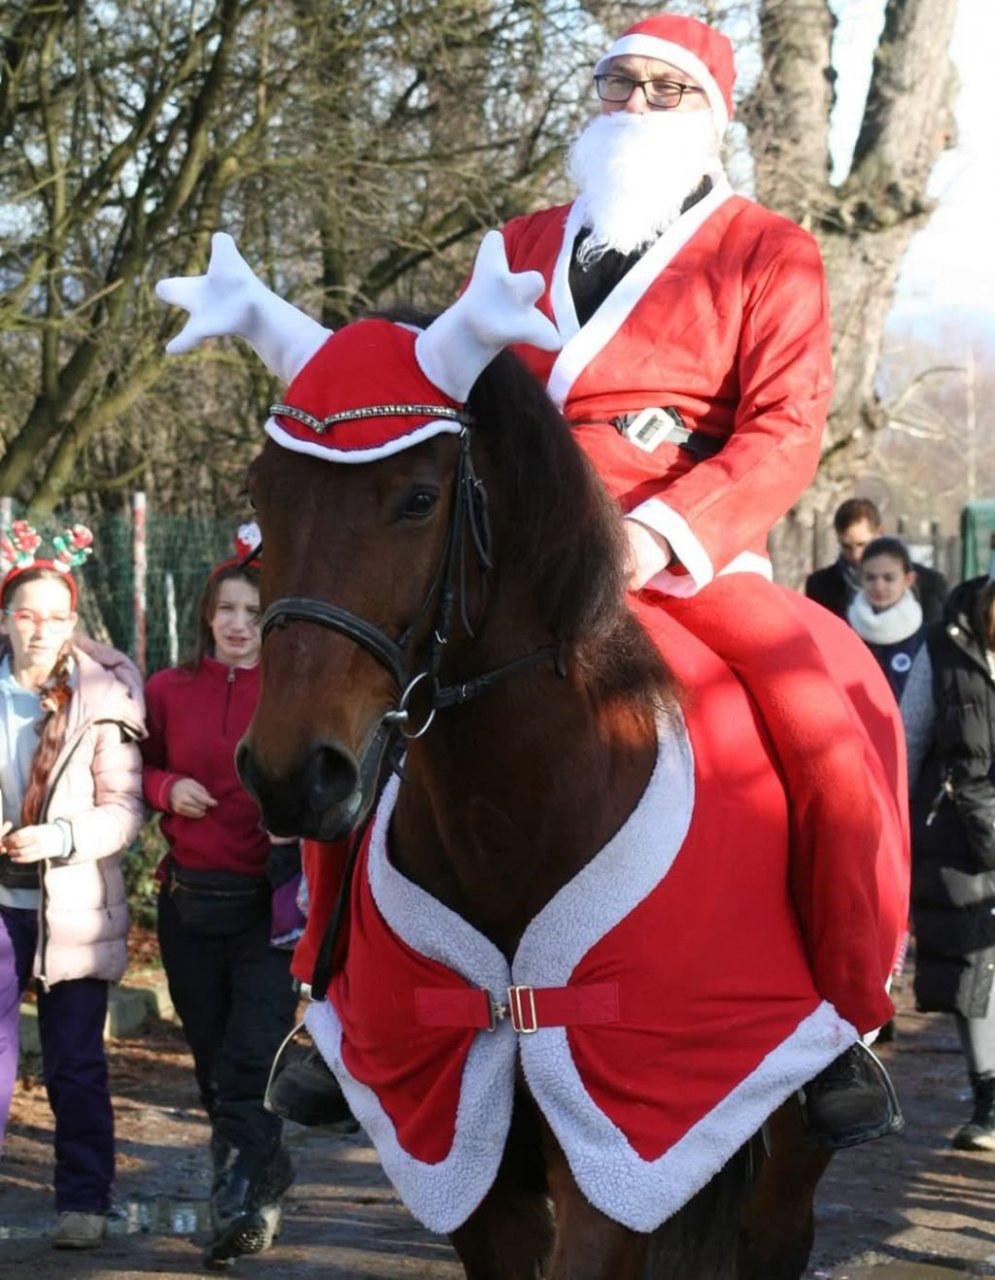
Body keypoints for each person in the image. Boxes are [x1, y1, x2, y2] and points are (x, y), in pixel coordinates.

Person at [155, 13, 909, 1152]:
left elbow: (785, 429)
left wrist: (659, 534)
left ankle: (843, 1007)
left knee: (823, 703)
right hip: (505, 546)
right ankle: (327, 994)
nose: (637, 106)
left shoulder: (769, 249)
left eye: (665, 90)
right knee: (356, 698)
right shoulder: (518, 239)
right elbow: (442, 396)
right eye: (618, 83)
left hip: (675, 543)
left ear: (716, 118)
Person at [140, 538, 302, 1266]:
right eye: (226, 611)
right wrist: (165, 789)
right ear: (207, 617)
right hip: (189, 905)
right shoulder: (167, 689)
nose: (238, 625)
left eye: (254, 613)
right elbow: (132, 767)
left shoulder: (295, 690)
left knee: (248, 1061)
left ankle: (239, 1203)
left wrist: (290, 816)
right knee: (212, 1064)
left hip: (266, 908)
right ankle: (260, 1170)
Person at [0, 521, 145, 1250]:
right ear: (5, 618)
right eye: (26, 614)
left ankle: (84, 1200)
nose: (40, 630)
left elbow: (123, 810)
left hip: (74, 906)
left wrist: (56, 838)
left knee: (76, 1065)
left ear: (73, 624)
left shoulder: (102, 698)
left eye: (55, 617)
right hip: (0, 904)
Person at [902, 573, 995, 1151]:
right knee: (974, 967)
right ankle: (988, 1098)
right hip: (960, 828)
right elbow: (909, 739)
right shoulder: (941, 645)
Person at [807, 497, 948, 623]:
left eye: (862, 544)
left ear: (879, 532)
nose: (856, 555)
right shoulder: (821, 587)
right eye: (847, 546)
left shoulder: (930, 586)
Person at [847, 536, 927, 702]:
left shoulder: (925, 638)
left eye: (889, 578)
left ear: (908, 579)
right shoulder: (843, 630)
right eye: (870, 578)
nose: (879, 586)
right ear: (860, 577)